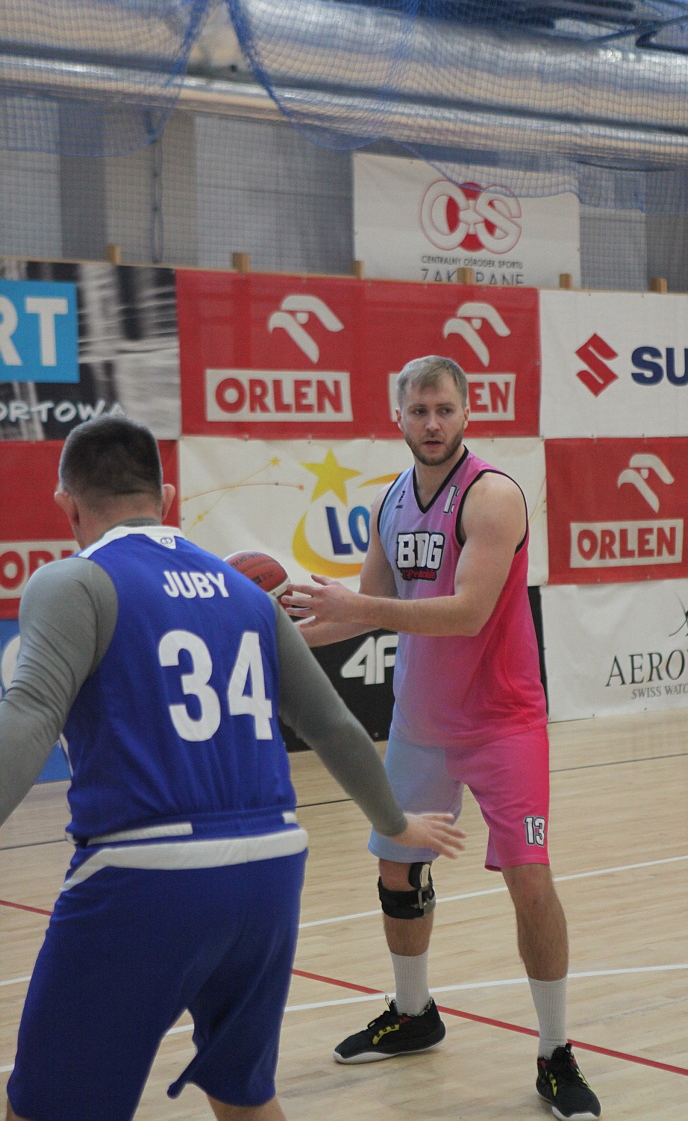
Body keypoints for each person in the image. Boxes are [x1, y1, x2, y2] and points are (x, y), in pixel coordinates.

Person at [0, 415, 465, 1121]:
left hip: (146, 874)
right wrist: (395, 822)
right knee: (244, 1098)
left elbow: (30, 717)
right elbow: (333, 726)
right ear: (168, 496)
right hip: (269, 875)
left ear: (67, 503)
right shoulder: (244, 592)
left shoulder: (72, 581)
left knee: (44, 1110)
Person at [286, 355, 602, 1121]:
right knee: (398, 870)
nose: (432, 423)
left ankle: (555, 1051)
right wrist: (273, 629)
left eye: (444, 409)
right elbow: (366, 609)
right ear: (397, 416)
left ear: (467, 413)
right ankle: (414, 1014)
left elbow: (465, 612)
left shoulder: (493, 496)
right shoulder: (391, 500)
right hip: (421, 725)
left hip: (503, 725)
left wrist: (357, 605)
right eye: (419, 410)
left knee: (529, 880)